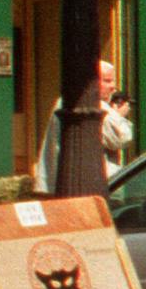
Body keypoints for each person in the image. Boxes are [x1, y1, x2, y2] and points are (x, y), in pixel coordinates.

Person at [37, 60, 137, 194]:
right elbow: (120, 138)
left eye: (113, 81)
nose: (113, 87)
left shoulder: (65, 100)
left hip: (60, 184)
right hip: (93, 187)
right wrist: (119, 116)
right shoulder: (92, 103)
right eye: (107, 81)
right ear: (92, 82)